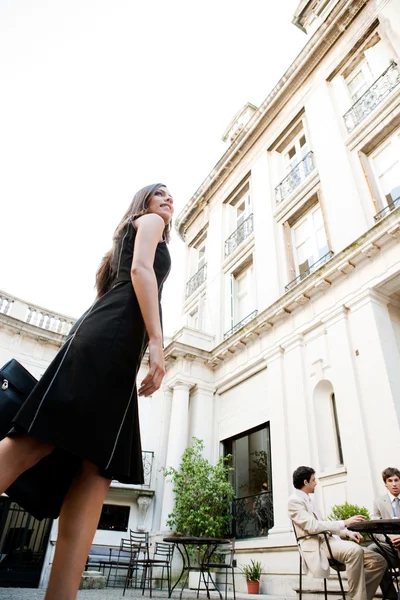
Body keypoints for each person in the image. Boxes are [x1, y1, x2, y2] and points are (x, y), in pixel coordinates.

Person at [0, 183, 173, 600]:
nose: (169, 199)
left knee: (95, 474)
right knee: (38, 442)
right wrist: (156, 342)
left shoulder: (122, 243)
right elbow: (140, 272)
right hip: (110, 342)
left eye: (171, 196)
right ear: (144, 203)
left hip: (110, 345)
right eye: (160, 193)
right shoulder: (147, 223)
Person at [288, 466, 387, 600]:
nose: (316, 482)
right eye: (313, 480)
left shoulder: (309, 501)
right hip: (318, 544)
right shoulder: (294, 501)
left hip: (330, 541)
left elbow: (323, 525)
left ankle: (354, 597)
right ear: (305, 482)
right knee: (354, 550)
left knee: (379, 561)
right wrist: (344, 522)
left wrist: (347, 534)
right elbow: (312, 526)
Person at [369, 467, 400, 599]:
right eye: (390, 481)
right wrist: (389, 538)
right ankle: (391, 596)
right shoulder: (378, 502)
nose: (394, 484)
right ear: (385, 484)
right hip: (390, 546)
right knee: (372, 550)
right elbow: (375, 529)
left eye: (397, 480)